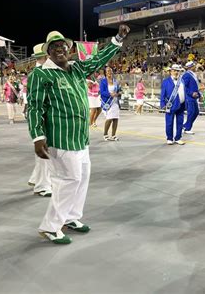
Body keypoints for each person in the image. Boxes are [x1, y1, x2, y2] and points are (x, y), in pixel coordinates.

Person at [27, 25, 129, 244]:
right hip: (61, 138)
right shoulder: (41, 74)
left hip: (81, 138)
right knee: (68, 180)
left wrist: (118, 39)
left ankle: (71, 217)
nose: (59, 49)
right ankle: (51, 226)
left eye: (62, 46)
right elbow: (35, 107)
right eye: (54, 47)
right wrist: (37, 137)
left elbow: (99, 59)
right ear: (48, 52)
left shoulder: (76, 69)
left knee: (82, 178)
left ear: (69, 49)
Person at [26, 43, 52, 197]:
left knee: (43, 152)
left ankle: (36, 178)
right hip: (44, 116)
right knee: (45, 152)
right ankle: (42, 185)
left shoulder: (37, 72)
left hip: (43, 115)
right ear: (44, 56)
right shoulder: (39, 73)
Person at [160, 64, 186, 145]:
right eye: (174, 70)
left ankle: (178, 138)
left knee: (180, 122)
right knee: (169, 122)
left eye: (178, 71)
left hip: (181, 105)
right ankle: (169, 138)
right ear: (171, 71)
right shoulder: (166, 81)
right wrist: (162, 105)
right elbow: (162, 95)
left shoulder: (182, 81)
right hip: (170, 105)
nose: (176, 72)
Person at [100, 66, 121, 141]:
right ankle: (105, 134)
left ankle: (113, 135)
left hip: (115, 102)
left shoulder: (115, 81)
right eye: (108, 71)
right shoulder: (103, 81)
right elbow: (102, 92)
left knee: (116, 118)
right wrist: (110, 94)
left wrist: (119, 93)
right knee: (109, 118)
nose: (109, 72)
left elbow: (119, 90)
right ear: (105, 72)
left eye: (110, 70)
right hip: (107, 103)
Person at [182, 61, 200, 134]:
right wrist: (191, 93)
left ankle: (185, 126)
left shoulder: (193, 74)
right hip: (189, 97)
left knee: (196, 112)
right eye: (194, 66)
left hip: (194, 97)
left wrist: (199, 94)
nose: (195, 67)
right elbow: (183, 86)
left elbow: (195, 87)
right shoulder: (186, 75)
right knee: (191, 112)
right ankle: (187, 128)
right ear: (191, 67)